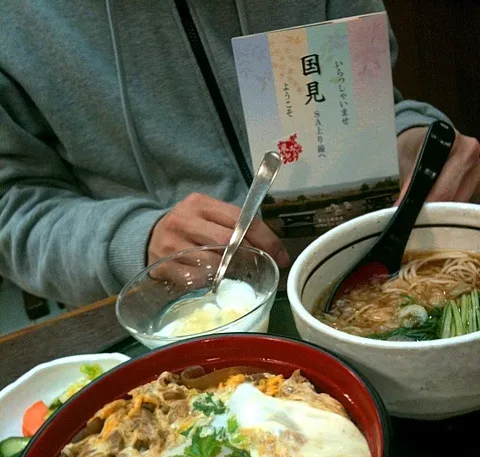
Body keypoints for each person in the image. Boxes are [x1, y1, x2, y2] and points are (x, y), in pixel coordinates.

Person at [1, 0, 479, 307]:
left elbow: (359, 102)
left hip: (364, 273)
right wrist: (133, 240)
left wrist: (408, 134)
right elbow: (13, 205)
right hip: (172, 312)